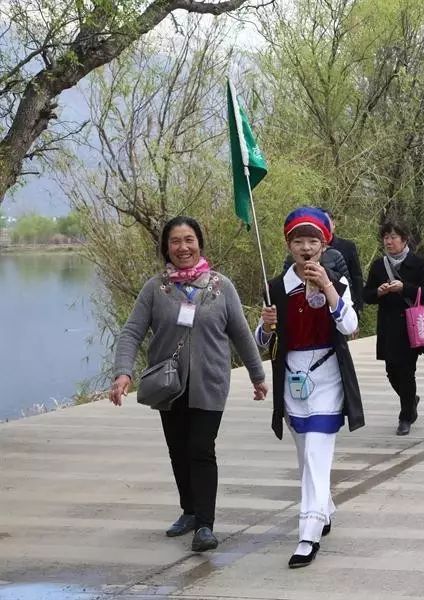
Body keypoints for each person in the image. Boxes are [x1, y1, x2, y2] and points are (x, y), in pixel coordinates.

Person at [110, 216, 267, 553]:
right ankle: (189, 511)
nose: (183, 247)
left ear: (200, 243)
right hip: (169, 386)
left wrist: (257, 376)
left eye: (189, 240)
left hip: (210, 383)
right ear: (166, 247)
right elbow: (132, 331)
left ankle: (206, 526)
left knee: (200, 448)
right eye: (175, 241)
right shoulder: (155, 288)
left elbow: (240, 333)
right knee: (178, 450)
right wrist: (123, 372)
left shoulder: (221, 287)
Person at [256, 207, 363, 568]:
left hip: (328, 376)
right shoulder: (275, 287)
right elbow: (264, 344)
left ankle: (308, 532)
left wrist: (328, 288)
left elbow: (349, 326)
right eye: (298, 240)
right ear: (289, 245)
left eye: (312, 240)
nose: (305, 247)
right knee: (306, 457)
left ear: (324, 245)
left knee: (317, 452)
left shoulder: (337, 281)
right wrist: (266, 328)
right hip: (293, 380)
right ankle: (325, 506)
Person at [362, 221, 424, 436]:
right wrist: (379, 292)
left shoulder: (418, 263)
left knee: (407, 371)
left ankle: (405, 416)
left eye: (393, 237)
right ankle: (411, 399)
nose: (389, 241)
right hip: (387, 326)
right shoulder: (378, 266)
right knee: (391, 371)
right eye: (386, 237)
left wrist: (406, 288)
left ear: (404, 240)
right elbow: (366, 296)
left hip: (410, 326)